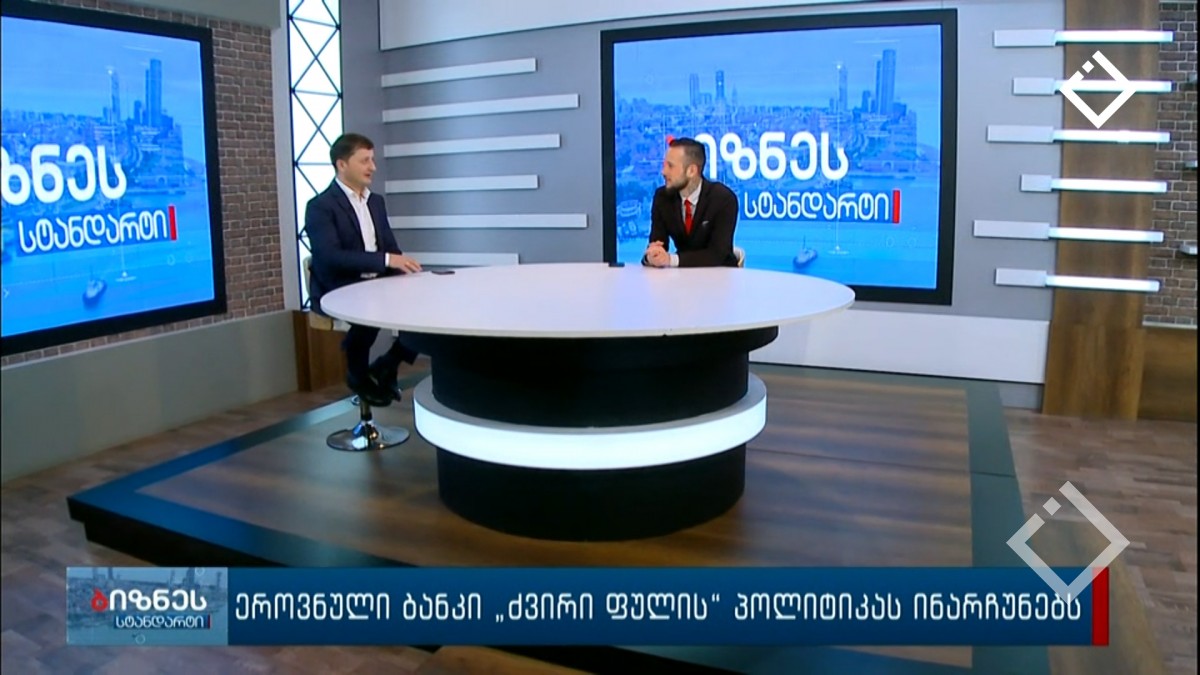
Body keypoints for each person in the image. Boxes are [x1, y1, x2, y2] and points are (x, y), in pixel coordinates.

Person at [303, 132, 423, 407]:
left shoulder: (375, 202)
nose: (373, 167)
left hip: (376, 282)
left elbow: (390, 249)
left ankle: (388, 363)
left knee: (427, 304)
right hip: (340, 286)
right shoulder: (320, 207)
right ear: (342, 164)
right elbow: (330, 257)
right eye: (365, 160)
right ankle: (357, 374)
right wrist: (386, 261)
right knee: (370, 304)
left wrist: (403, 270)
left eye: (373, 160)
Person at [642, 137, 740, 268]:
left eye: (670, 166)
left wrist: (671, 260)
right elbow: (657, 244)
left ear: (692, 171)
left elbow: (717, 254)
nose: (663, 172)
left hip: (720, 275)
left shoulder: (723, 199)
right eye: (664, 165)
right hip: (682, 276)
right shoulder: (663, 198)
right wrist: (651, 256)